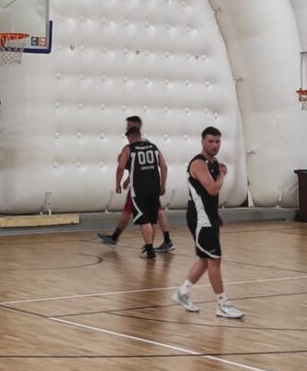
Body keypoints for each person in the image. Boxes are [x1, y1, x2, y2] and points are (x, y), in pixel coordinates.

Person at [172, 126, 244, 318]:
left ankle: (183, 293)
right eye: (210, 141)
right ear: (202, 142)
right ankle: (222, 304)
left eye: (217, 141)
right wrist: (222, 175)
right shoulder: (198, 163)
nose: (214, 145)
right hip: (200, 218)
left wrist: (215, 213)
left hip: (208, 216)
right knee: (214, 259)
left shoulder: (213, 162)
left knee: (205, 259)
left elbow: (208, 196)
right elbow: (212, 189)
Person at [97, 116, 174, 253]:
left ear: (135, 127)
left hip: (139, 187)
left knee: (148, 216)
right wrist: (129, 179)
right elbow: (158, 166)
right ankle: (159, 242)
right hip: (151, 185)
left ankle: (151, 246)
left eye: (128, 126)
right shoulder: (151, 146)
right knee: (153, 214)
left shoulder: (132, 147)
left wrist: (120, 182)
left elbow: (125, 166)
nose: (126, 128)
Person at [110, 125, 166, 259]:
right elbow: (164, 166)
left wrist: (117, 183)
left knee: (143, 220)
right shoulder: (153, 147)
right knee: (152, 220)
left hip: (139, 189)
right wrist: (163, 185)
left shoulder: (128, 148)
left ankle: (149, 250)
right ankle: (149, 246)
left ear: (129, 137)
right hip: (154, 187)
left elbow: (120, 167)